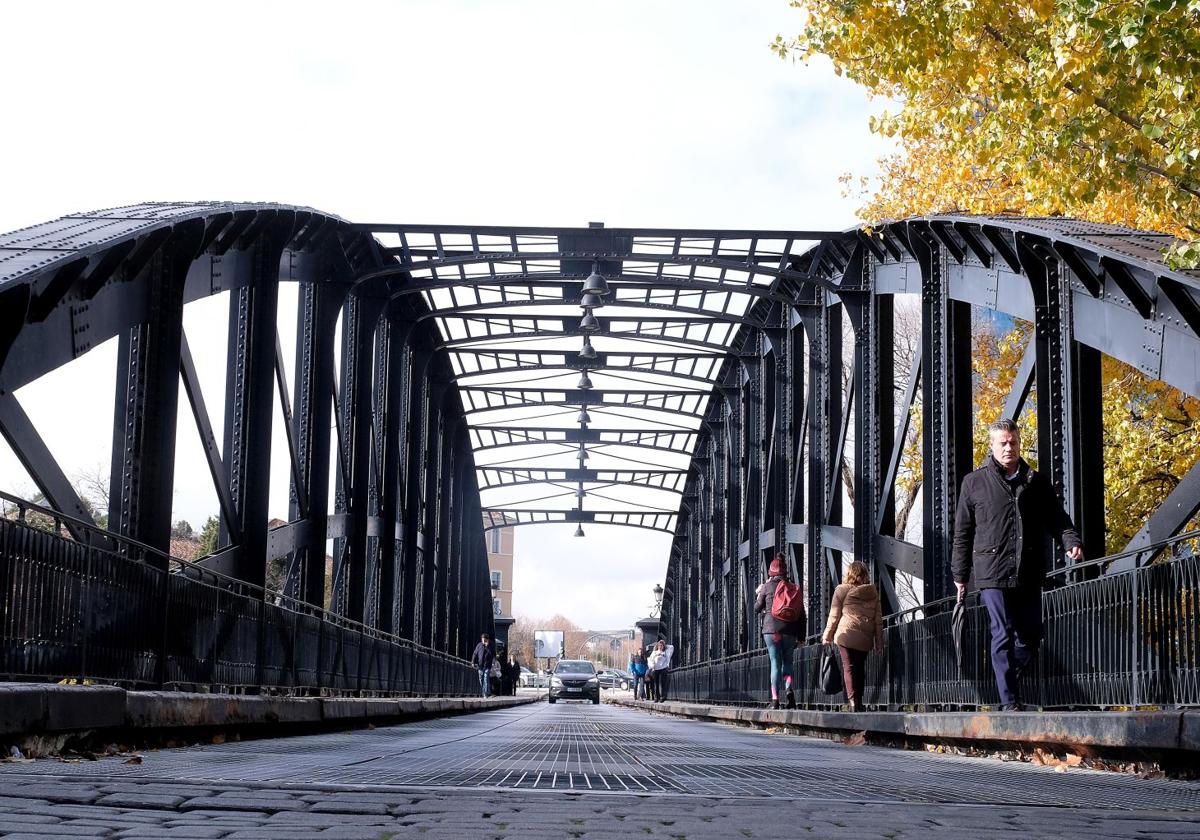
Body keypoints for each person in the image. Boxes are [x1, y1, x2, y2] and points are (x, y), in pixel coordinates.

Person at [952, 418, 1084, 711]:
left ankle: (1006, 683)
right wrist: (960, 575)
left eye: (1013, 442)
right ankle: (1009, 702)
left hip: (1029, 570)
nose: (1009, 447)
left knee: (1031, 636)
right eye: (1003, 443)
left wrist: (1071, 541)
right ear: (992, 446)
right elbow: (962, 532)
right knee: (1002, 630)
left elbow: (1057, 518)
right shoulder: (974, 483)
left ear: (1019, 443)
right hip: (992, 571)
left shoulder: (1035, 481)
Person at [821, 560, 883, 712]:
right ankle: (860, 701)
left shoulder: (841, 590)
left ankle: (852, 702)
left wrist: (827, 635)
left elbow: (834, 615)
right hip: (864, 638)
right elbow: (878, 621)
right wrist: (879, 642)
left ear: (849, 573)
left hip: (846, 636)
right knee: (860, 668)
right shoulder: (873, 593)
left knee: (848, 668)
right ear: (865, 575)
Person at [755, 554, 804, 709]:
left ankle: (775, 700)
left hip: (772, 631)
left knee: (775, 663)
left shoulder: (767, 587)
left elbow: (756, 608)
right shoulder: (793, 588)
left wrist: (759, 594)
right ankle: (789, 692)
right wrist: (801, 637)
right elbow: (802, 615)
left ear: (771, 572)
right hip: (790, 630)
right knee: (788, 663)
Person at [470, 633, 495, 697]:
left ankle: (485, 694)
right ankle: (486, 692)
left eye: (484, 640)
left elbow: (492, 654)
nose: (483, 641)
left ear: (487, 639)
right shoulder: (479, 645)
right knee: (481, 679)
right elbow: (475, 653)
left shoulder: (491, 646)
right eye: (482, 640)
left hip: (487, 665)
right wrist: (472, 662)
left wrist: (487, 647)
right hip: (480, 665)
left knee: (486, 679)